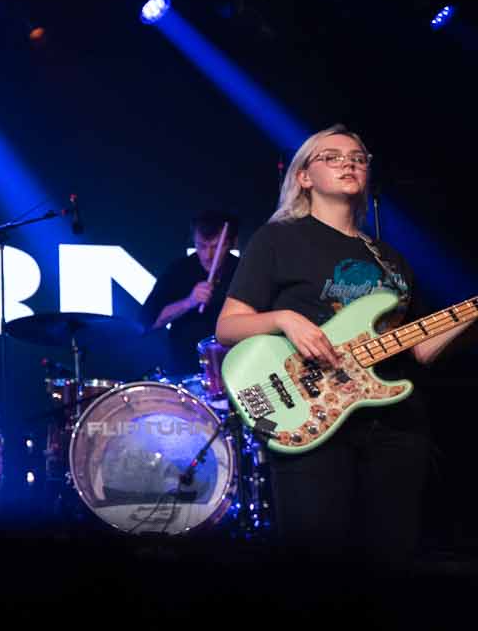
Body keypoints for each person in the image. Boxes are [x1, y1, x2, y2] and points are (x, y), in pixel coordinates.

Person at [216, 124, 474, 563]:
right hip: (311, 415)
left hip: (395, 425)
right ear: (304, 176)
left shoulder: (390, 259)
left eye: (357, 158)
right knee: (318, 560)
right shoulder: (278, 239)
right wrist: (285, 320)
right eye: (332, 157)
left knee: (391, 558)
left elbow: (419, 349)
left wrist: (469, 317)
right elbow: (227, 327)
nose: (348, 164)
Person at [142, 210, 239, 374]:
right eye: (201, 246)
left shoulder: (243, 271)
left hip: (235, 367)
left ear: (231, 243)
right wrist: (189, 301)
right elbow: (150, 322)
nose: (208, 255)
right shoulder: (178, 270)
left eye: (216, 247)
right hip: (185, 369)